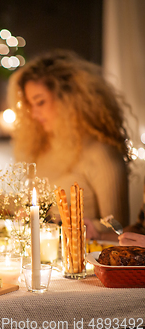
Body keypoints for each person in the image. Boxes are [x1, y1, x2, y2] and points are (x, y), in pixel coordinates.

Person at [8, 50, 132, 240]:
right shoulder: (44, 147)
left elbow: (120, 229)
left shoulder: (101, 152)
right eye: (30, 105)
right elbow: (33, 210)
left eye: (40, 102)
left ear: (68, 99)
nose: (33, 114)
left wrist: (86, 227)